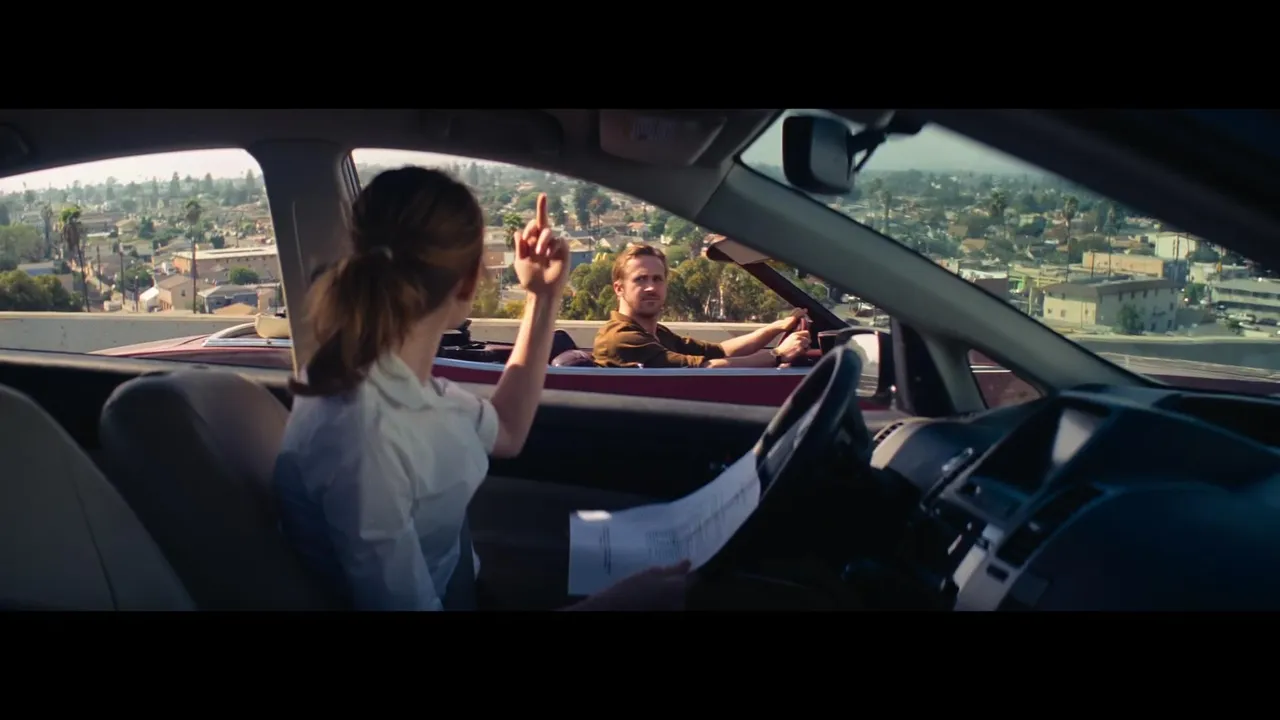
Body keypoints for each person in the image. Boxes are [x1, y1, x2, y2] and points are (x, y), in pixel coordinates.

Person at [272, 167, 690, 611]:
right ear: (470, 281)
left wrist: (543, 296)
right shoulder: (365, 436)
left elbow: (506, 430)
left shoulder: (394, 386)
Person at [593, 243, 811, 368]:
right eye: (640, 279)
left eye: (657, 279)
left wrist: (776, 327)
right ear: (619, 288)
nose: (651, 287)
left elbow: (722, 351)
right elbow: (705, 369)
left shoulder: (656, 334)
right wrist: (778, 355)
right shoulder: (622, 338)